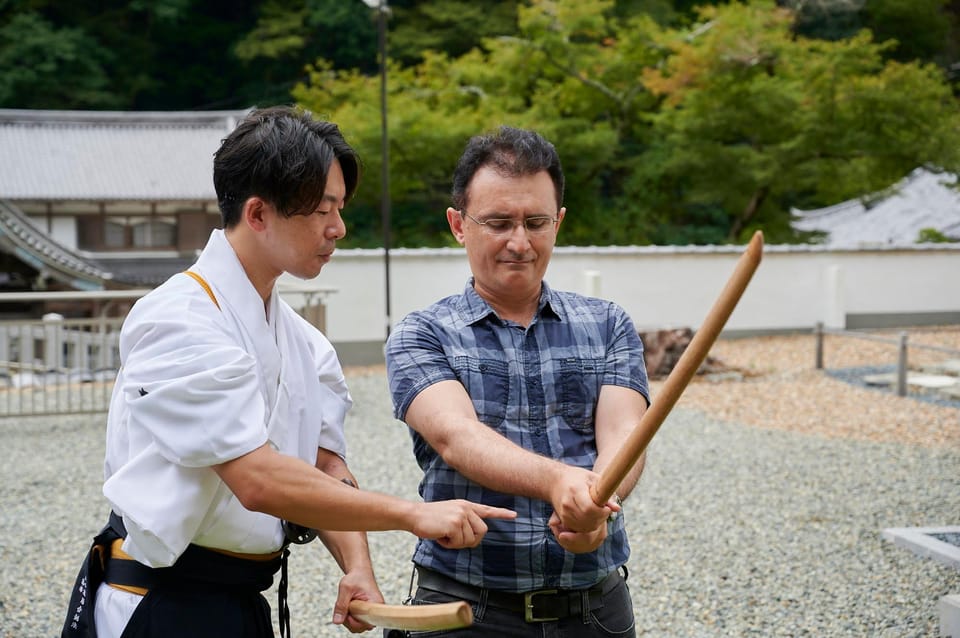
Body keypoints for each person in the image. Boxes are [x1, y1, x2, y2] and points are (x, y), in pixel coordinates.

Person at [60, 106, 514, 638]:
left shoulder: (305, 343)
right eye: (322, 209)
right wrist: (412, 514)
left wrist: (358, 568)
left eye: (340, 208)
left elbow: (324, 470)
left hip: (241, 602)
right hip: (159, 601)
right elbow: (256, 479)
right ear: (258, 213)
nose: (338, 228)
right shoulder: (177, 319)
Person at [384, 126, 651, 637]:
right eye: (499, 222)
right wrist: (561, 482)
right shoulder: (422, 334)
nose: (519, 242)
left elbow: (625, 436)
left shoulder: (608, 323)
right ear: (459, 225)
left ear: (559, 222)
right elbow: (456, 438)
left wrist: (597, 504)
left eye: (536, 222)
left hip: (596, 611)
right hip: (464, 610)